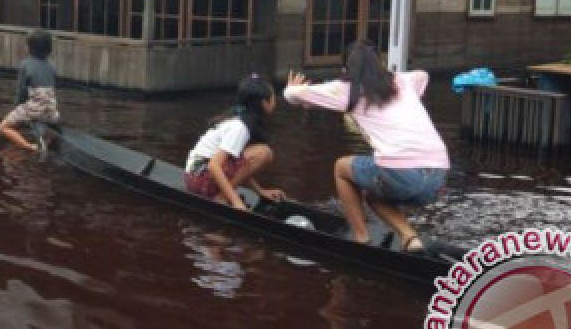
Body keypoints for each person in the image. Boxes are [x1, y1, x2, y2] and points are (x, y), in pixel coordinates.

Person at [283, 40, 449, 251]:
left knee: (341, 167)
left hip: (402, 173)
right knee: (372, 193)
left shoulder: (346, 90)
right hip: (438, 175)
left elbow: (292, 96)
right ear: (380, 64)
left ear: (346, 70)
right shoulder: (404, 81)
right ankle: (410, 238)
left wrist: (291, 88)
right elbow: (423, 75)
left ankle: (361, 238)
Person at [184, 74, 286, 211]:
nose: (275, 101)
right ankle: (221, 198)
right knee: (263, 153)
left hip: (196, 176)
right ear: (264, 103)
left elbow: (241, 166)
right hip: (199, 178)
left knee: (261, 152)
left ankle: (223, 195)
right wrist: (236, 201)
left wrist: (260, 191)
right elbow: (214, 165)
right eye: (273, 97)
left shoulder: (240, 119)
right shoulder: (240, 127)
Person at [0, 29, 60, 152]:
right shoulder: (52, 66)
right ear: (49, 49)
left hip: (34, 110)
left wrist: (17, 108)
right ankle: (48, 140)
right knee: (41, 111)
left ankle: (29, 146)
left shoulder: (25, 65)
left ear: (29, 48)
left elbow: (21, 92)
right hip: (52, 112)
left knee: (3, 127)